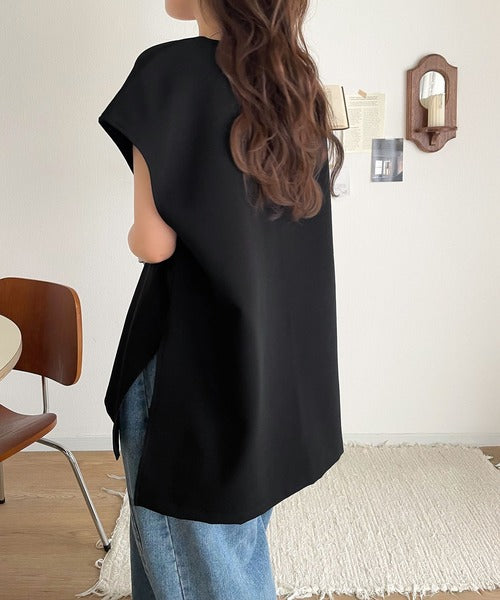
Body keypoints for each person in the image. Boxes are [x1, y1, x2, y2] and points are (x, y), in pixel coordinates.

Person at [98, 0, 345, 598]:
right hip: (269, 369)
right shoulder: (294, 87)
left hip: (192, 368)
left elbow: (153, 243)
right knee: (219, 550)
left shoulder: (168, 73)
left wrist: (135, 233)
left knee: (193, 560)